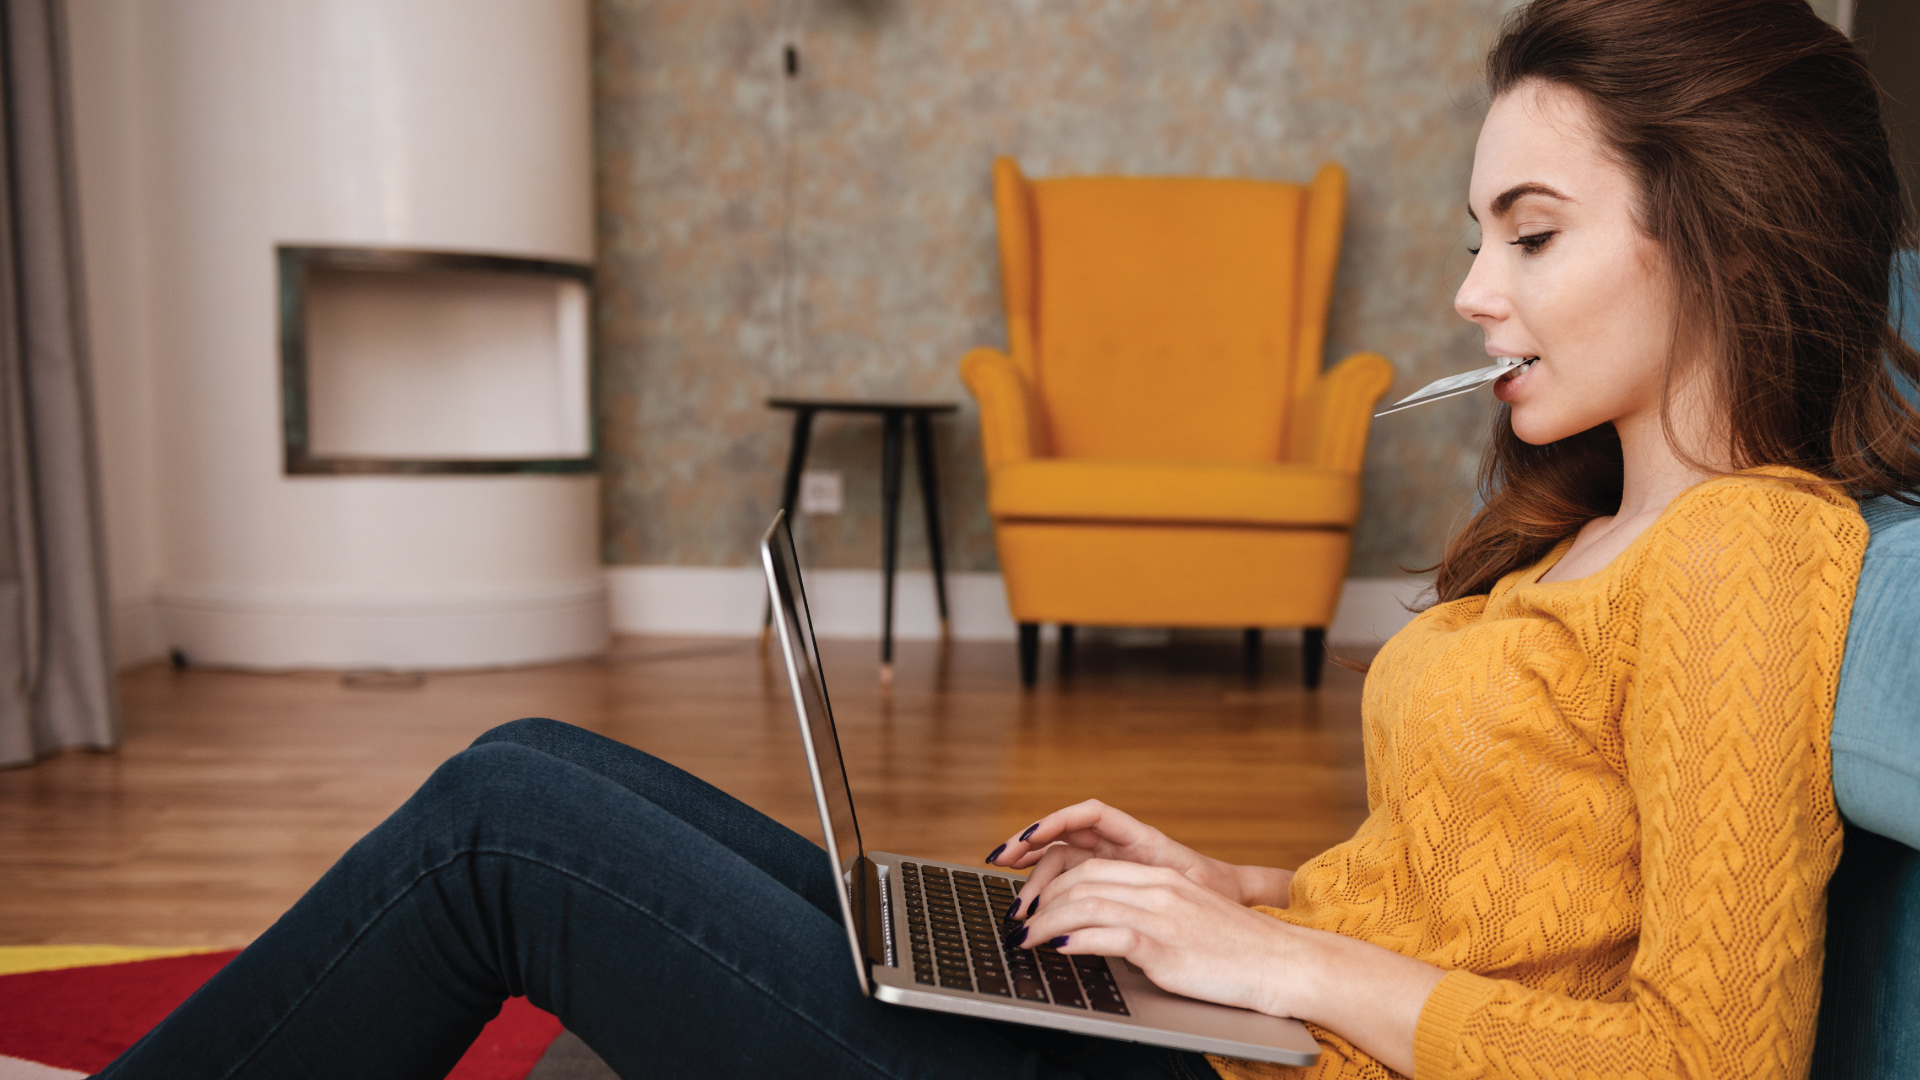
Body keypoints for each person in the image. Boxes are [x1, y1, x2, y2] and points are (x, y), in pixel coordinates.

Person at [99, 0, 1920, 1077]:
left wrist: (1290, 971)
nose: (1464, 290)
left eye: (1530, 234)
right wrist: (1230, 895)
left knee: (511, 831)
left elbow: (1714, 1060)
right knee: (536, 756)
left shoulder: (1753, 551)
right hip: (1223, 1039)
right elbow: (1499, 902)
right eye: (1476, 231)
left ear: (1722, 231)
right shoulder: (1594, 533)